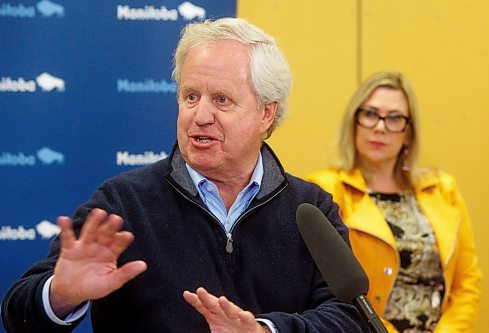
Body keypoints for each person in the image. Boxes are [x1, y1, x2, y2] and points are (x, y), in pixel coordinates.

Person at [1, 18, 370, 333]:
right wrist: (61, 295)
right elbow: (17, 314)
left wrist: (265, 329)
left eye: (222, 100)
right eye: (190, 96)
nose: (200, 115)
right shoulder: (125, 203)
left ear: (266, 114)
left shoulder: (309, 208)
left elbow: (350, 317)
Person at [307, 71, 482, 332]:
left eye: (394, 118)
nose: (380, 126)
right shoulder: (326, 191)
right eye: (369, 114)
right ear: (353, 122)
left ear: (408, 133)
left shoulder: (442, 189)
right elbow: (331, 289)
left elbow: (467, 282)